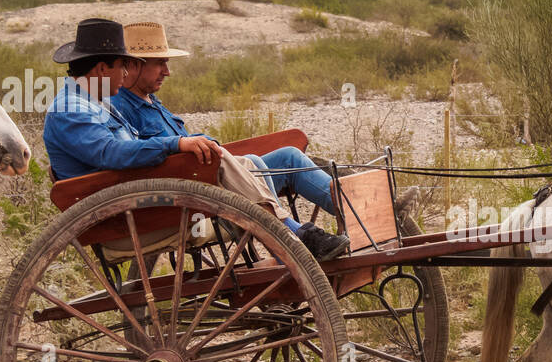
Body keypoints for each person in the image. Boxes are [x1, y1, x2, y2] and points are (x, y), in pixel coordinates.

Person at [42, 18, 349, 261]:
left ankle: (294, 233)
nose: (125, 74)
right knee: (216, 159)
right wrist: (175, 145)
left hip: (137, 198)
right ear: (101, 68)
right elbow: (111, 153)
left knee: (230, 158)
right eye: (123, 65)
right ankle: (294, 235)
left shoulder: (95, 101)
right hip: (126, 215)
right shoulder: (72, 110)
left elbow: (125, 147)